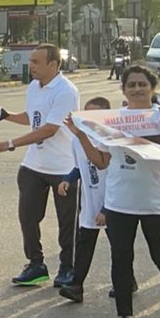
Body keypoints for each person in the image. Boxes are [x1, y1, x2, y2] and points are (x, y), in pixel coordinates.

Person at [70, 65, 160, 318]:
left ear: (153, 87)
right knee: (120, 258)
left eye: (142, 84)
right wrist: (81, 137)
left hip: (159, 202)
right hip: (120, 202)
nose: (137, 89)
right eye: (131, 85)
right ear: (123, 90)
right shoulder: (114, 120)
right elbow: (102, 162)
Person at [0, 43, 80, 287]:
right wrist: (6, 114)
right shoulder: (34, 87)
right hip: (34, 165)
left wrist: (9, 144)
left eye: (36, 62)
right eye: (31, 61)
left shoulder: (66, 91)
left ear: (54, 65)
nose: (31, 66)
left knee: (67, 222)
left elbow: (49, 129)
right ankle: (36, 264)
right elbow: (33, 117)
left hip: (63, 167)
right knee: (28, 217)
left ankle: (68, 268)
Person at [56, 96, 112, 304]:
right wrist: (68, 180)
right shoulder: (77, 141)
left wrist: (106, 209)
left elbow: (115, 177)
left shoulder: (109, 142)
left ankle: (127, 280)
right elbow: (80, 166)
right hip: (90, 203)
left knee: (119, 247)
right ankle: (76, 285)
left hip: (112, 203)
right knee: (84, 244)